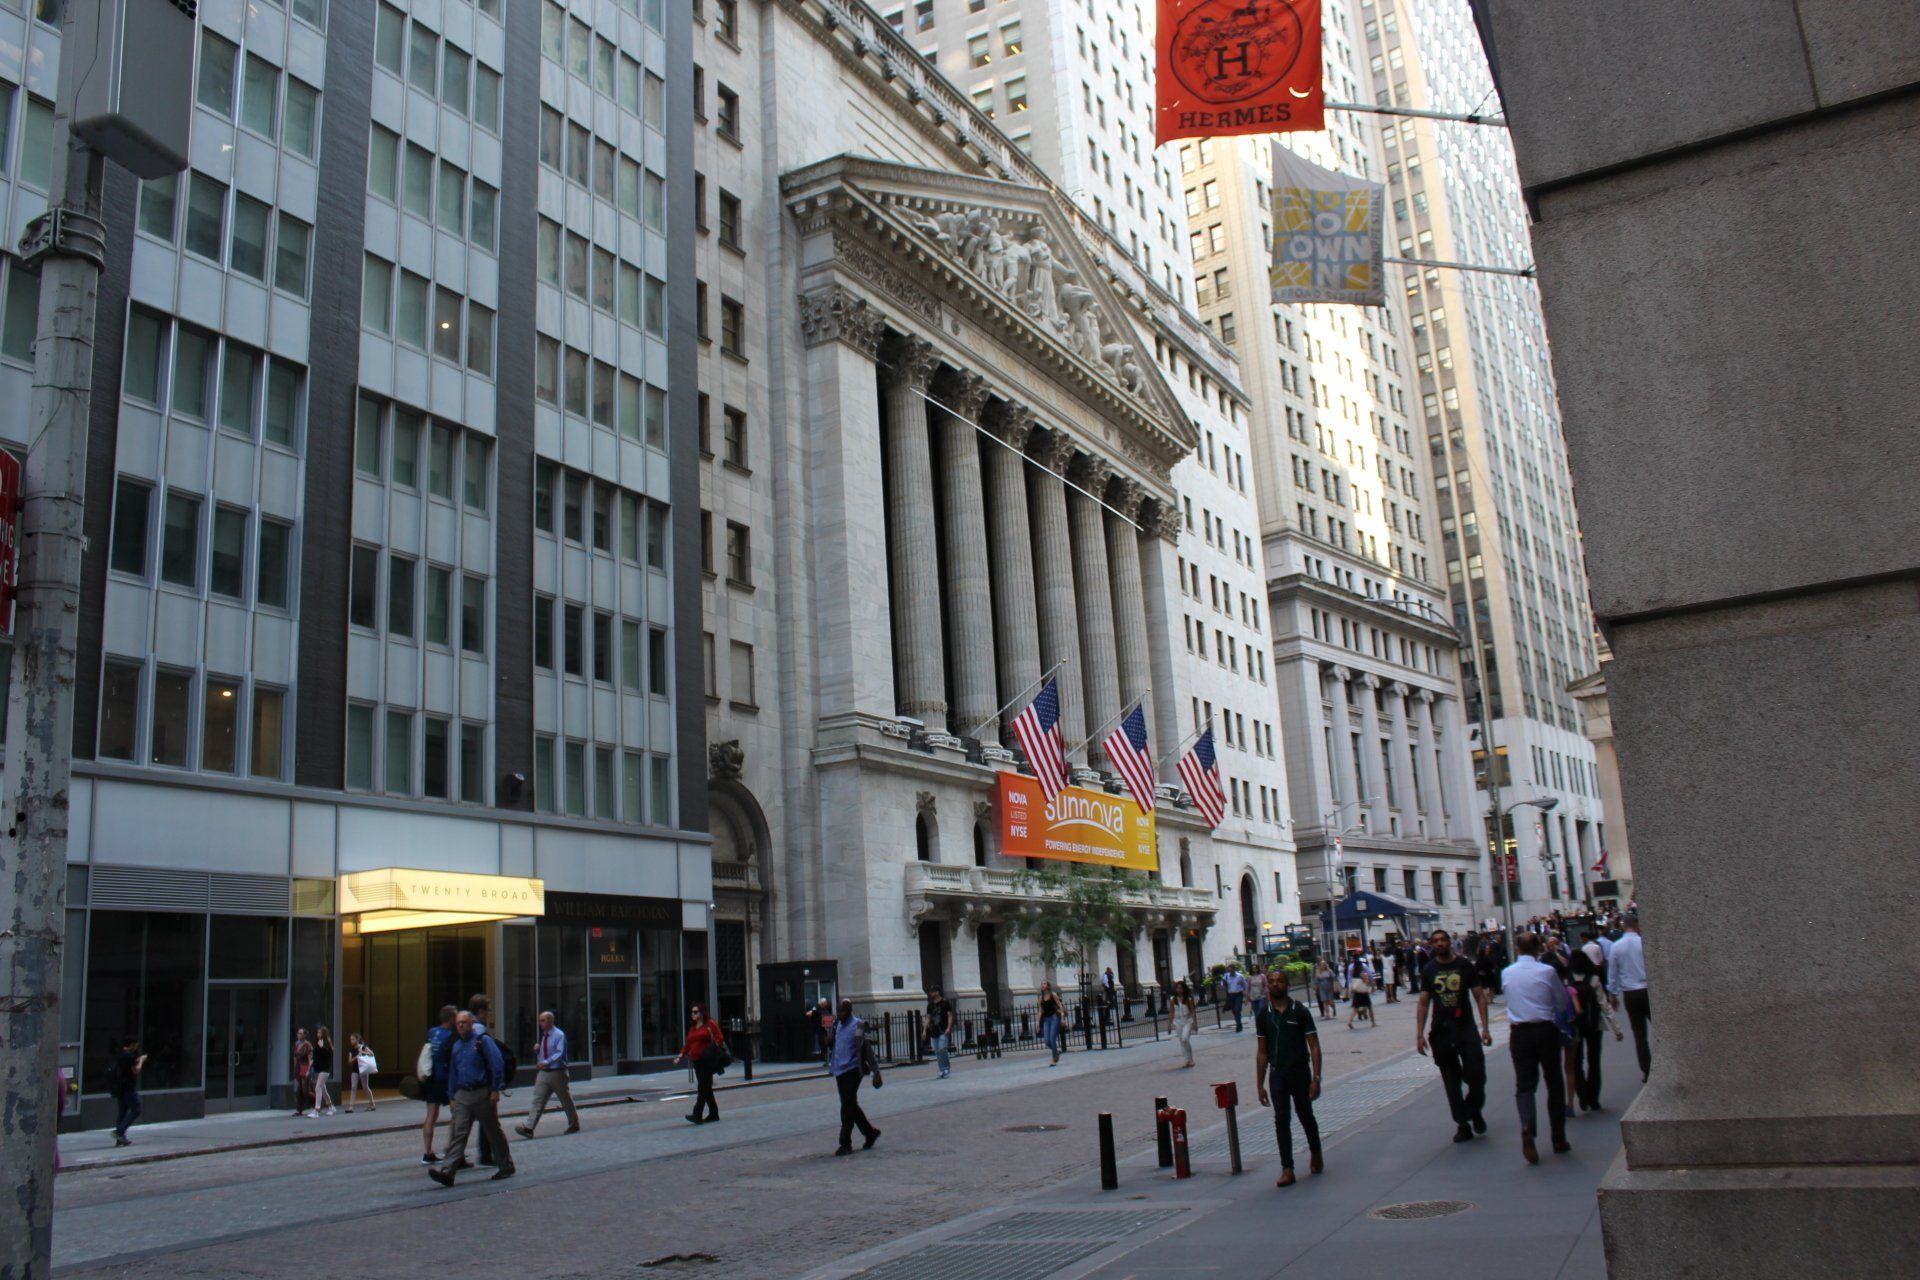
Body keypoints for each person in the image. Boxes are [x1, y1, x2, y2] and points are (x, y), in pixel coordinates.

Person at [1415, 929, 1492, 1143]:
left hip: (1465, 1027)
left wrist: (1485, 1027)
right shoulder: (1429, 969)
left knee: (1477, 1074)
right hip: (1441, 1030)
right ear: (1431, 945)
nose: (1440, 944)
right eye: (1435, 941)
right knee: (1451, 1080)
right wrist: (1419, 1034)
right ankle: (1462, 1123)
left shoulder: (1465, 965)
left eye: (1443, 940)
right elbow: (1423, 1002)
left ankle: (1474, 1108)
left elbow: (1479, 996)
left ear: (1449, 942)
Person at [1503, 932, 1573, 1164]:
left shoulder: (1507, 973)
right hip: (1545, 1030)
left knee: (1524, 1085)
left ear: (1517, 947)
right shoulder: (1547, 971)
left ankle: (1527, 1126)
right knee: (1554, 1082)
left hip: (1519, 1033)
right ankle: (1558, 1137)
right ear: (1538, 948)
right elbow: (1562, 1002)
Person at [1254, 972, 1323, 1187]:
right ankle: (1287, 1168)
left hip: (1300, 1071)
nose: (1275, 985)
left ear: (1287, 985)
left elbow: (1314, 1045)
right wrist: (1259, 1084)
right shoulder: (1264, 1015)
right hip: (1277, 1073)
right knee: (1281, 1118)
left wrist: (1316, 1078)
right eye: (1272, 982)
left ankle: (1315, 1151)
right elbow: (1262, 1051)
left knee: (1305, 1114)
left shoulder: (1300, 1011)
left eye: (1280, 981)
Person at [428, 1011, 513, 1186]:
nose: (460, 1025)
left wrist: (496, 1088)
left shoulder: (483, 1041)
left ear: (471, 1024)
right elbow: (453, 1072)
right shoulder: (457, 1046)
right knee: (459, 1133)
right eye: (458, 1023)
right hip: (463, 1094)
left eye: (464, 1022)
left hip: (482, 1093)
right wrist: (452, 1095)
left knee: (492, 1131)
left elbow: (497, 1063)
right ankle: (447, 1172)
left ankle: (506, 1165)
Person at [517, 1010, 581, 1138]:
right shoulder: (544, 1035)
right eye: (540, 1020)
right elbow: (545, 1053)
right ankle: (529, 1128)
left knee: (565, 1100)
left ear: (551, 1021)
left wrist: (545, 1062)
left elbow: (559, 1053)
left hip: (558, 1073)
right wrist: (537, 1051)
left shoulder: (559, 1035)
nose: (540, 1023)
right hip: (544, 1073)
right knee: (537, 1100)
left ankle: (574, 1123)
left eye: (543, 1020)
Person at [828, 998, 880, 1155]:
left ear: (850, 1011)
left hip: (853, 1069)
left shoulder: (859, 1025)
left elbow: (868, 1051)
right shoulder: (836, 1025)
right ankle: (870, 1133)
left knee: (846, 1106)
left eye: (843, 1011)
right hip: (839, 1070)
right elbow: (833, 1044)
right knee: (850, 1104)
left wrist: (876, 1071)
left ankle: (845, 1143)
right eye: (839, 1011)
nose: (840, 1014)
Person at [1607, 914, 1650, 1082]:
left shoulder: (1616, 947)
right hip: (1647, 990)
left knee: (1639, 1034)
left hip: (1630, 994)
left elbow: (1612, 974)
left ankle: (1647, 1069)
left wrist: (1613, 994)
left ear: (1624, 926)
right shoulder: (1643, 942)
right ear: (1637, 925)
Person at [1567, 944, 1609, 1111]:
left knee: (1576, 1062)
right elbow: (1603, 1004)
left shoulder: (1567, 979)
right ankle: (1594, 1098)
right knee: (1594, 1060)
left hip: (1574, 1025)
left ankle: (1581, 1093)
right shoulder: (1594, 978)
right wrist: (1617, 1029)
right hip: (1593, 1024)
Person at [419, 1005, 458, 1164]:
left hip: (431, 1078)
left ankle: (428, 1152)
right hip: (447, 1080)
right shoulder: (452, 1036)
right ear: (451, 1019)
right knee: (456, 1114)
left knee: (431, 1116)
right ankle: (452, 1148)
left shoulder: (432, 1032)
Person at [675, 1003, 724, 1124]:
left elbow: (719, 1037)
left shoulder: (709, 1024)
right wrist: (680, 1056)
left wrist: (713, 1049)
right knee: (706, 1087)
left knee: (702, 1088)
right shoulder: (693, 1028)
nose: (693, 1014)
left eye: (696, 1012)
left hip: (707, 1060)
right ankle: (714, 1113)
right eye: (692, 1012)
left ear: (702, 1013)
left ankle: (697, 1114)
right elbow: (688, 1044)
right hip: (696, 1061)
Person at [108, 1037, 145, 1147]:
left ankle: (120, 1139)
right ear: (132, 1044)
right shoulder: (129, 1056)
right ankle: (119, 1132)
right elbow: (136, 1070)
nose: (136, 1047)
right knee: (136, 1109)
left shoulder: (121, 1055)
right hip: (129, 1088)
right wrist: (141, 1061)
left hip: (120, 1088)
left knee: (122, 1112)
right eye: (136, 1045)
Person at [922, 989, 957, 1079]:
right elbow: (928, 1017)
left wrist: (949, 1027)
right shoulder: (930, 1005)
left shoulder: (945, 1003)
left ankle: (946, 1068)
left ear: (937, 992)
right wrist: (924, 1030)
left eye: (932, 991)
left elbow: (950, 1015)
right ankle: (941, 1069)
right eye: (931, 991)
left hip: (943, 1029)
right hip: (934, 1030)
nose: (931, 993)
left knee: (942, 1048)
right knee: (937, 1051)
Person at [305, 1026, 335, 1117]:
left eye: (320, 1033)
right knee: (323, 1088)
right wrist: (309, 1068)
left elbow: (328, 1055)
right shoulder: (317, 1043)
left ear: (324, 1034)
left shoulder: (326, 1043)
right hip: (318, 1068)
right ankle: (330, 1107)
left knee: (318, 1087)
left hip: (325, 1069)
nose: (318, 1035)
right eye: (318, 1033)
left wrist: (322, 1047)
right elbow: (315, 1057)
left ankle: (316, 1110)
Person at [342, 1033, 377, 1113]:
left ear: (357, 1040)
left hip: (363, 1069)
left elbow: (372, 1054)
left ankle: (372, 1104)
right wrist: (357, 1056)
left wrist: (363, 1052)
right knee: (353, 1087)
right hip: (355, 1070)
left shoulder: (363, 1047)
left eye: (353, 1039)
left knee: (365, 1087)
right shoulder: (351, 1050)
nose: (351, 1041)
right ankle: (351, 1107)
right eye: (350, 1039)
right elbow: (349, 1061)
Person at [1170, 979, 1199, 1068]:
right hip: (1177, 1021)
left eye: (1180, 988)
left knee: (1185, 1038)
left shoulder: (1188, 999)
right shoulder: (1173, 999)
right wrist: (1169, 1024)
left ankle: (1190, 1059)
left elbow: (1193, 1011)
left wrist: (1195, 1023)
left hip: (1187, 1021)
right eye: (1177, 988)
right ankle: (1187, 1060)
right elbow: (1171, 1012)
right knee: (1182, 1041)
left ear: (1184, 989)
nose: (1179, 990)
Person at [1038, 981, 1065, 1065]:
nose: (1042, 985)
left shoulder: (1053, 995)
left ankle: (1054, 1059)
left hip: (1054, 1018)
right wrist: (1038, 1024)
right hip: (1046, 1020)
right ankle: (1056, 1051)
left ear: (1048, 986)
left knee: (1052, 1039)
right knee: (1047, 1041)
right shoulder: (1040, 998)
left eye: (1044, 983)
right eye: (1041, 984)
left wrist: (1062, 1018)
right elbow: (1040, 1011)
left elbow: (1060, 1006)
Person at [1346, 954, 1375, 1030]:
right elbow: (1369, 976)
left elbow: (1349, 978)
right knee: (1369, 1007)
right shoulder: (1364, 967)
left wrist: (1350, 988)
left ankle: (1350, 1021)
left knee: (1355, 1008)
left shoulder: (1351, 967)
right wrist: (1372, 984)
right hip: (1363, 991)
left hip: (1356, 990)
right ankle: (1373, 1022)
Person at [290, 1027, 312, 1117]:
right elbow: (294, 1057)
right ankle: (299, 1109)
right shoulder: (296, 1044)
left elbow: (310, 1059)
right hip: (297, 1068)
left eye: (300, 1033)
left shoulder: (308, 1045)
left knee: (304, 1089)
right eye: (298, 1033)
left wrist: (308, 1070)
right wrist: (294, 1068)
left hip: (304, 1066)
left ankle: (314, 1104)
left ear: (304, 1035)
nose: (298, 1035)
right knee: (296, 1089)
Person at [1224, 964, 1247, 1033]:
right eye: (1228, 970)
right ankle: (1238, 1022)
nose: (1229, 971)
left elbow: (1245, 985)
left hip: (1238, 994)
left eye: (1231, 969)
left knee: (1237, 1009)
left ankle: (1239, 1026)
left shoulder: (1239, 976)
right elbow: (1222, 984)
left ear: (1234, 969)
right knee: (1234, 1010)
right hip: (1230, 995)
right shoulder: (1226, 976)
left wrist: (1246, 996)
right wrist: (1223, 983)